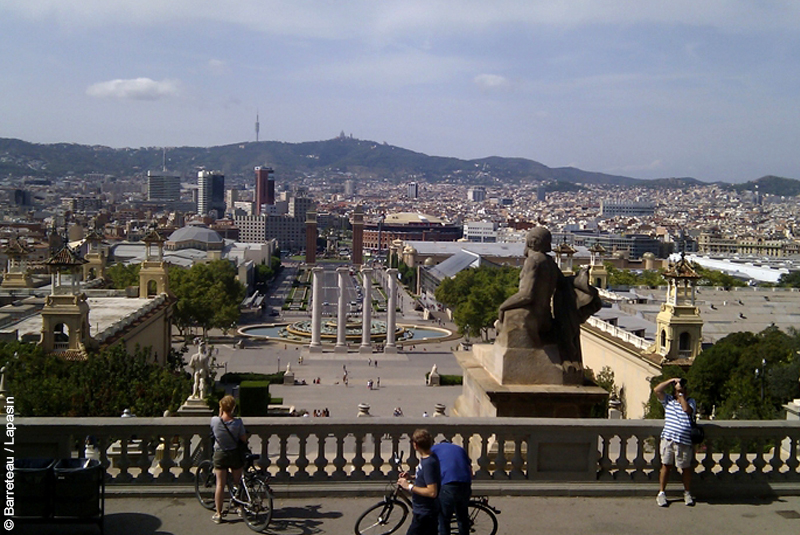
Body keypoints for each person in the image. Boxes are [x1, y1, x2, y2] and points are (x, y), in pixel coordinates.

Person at [654, 377, 696, 507]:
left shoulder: (691, 401)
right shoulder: (668, 401)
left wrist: (681, 395)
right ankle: (661, 493)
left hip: (683, 441)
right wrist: (671, 380)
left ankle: (687, 493)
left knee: (685, 468)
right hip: (668, 439)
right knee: (666, 465)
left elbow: (686, 410)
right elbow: (657, 390)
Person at [210, 395, 248, 523]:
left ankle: (219, 514)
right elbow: (244, 439)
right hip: (234, 454)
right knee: (237, 483)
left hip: (220, 454)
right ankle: (239, 507)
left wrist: (220, 413)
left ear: (221, 407)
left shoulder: (215, 421)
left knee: (220, 484)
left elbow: (214, 432)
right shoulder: (238, 422)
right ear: (233, 408)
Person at [398, 429, 440, 535]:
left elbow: (432, 492)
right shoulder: (427, 458)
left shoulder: (428, 463)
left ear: (415, 445)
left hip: (425, 513)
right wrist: (411, 477)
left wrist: (409, 486)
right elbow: (427, 478)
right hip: (423, 511)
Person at [431, 440, 472, 535]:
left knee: (444, 520)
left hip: (449, 485)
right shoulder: (460, 449)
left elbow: (428, 468)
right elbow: (470, 471)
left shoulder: (434, 449)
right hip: (465, 484)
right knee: (462, 518)